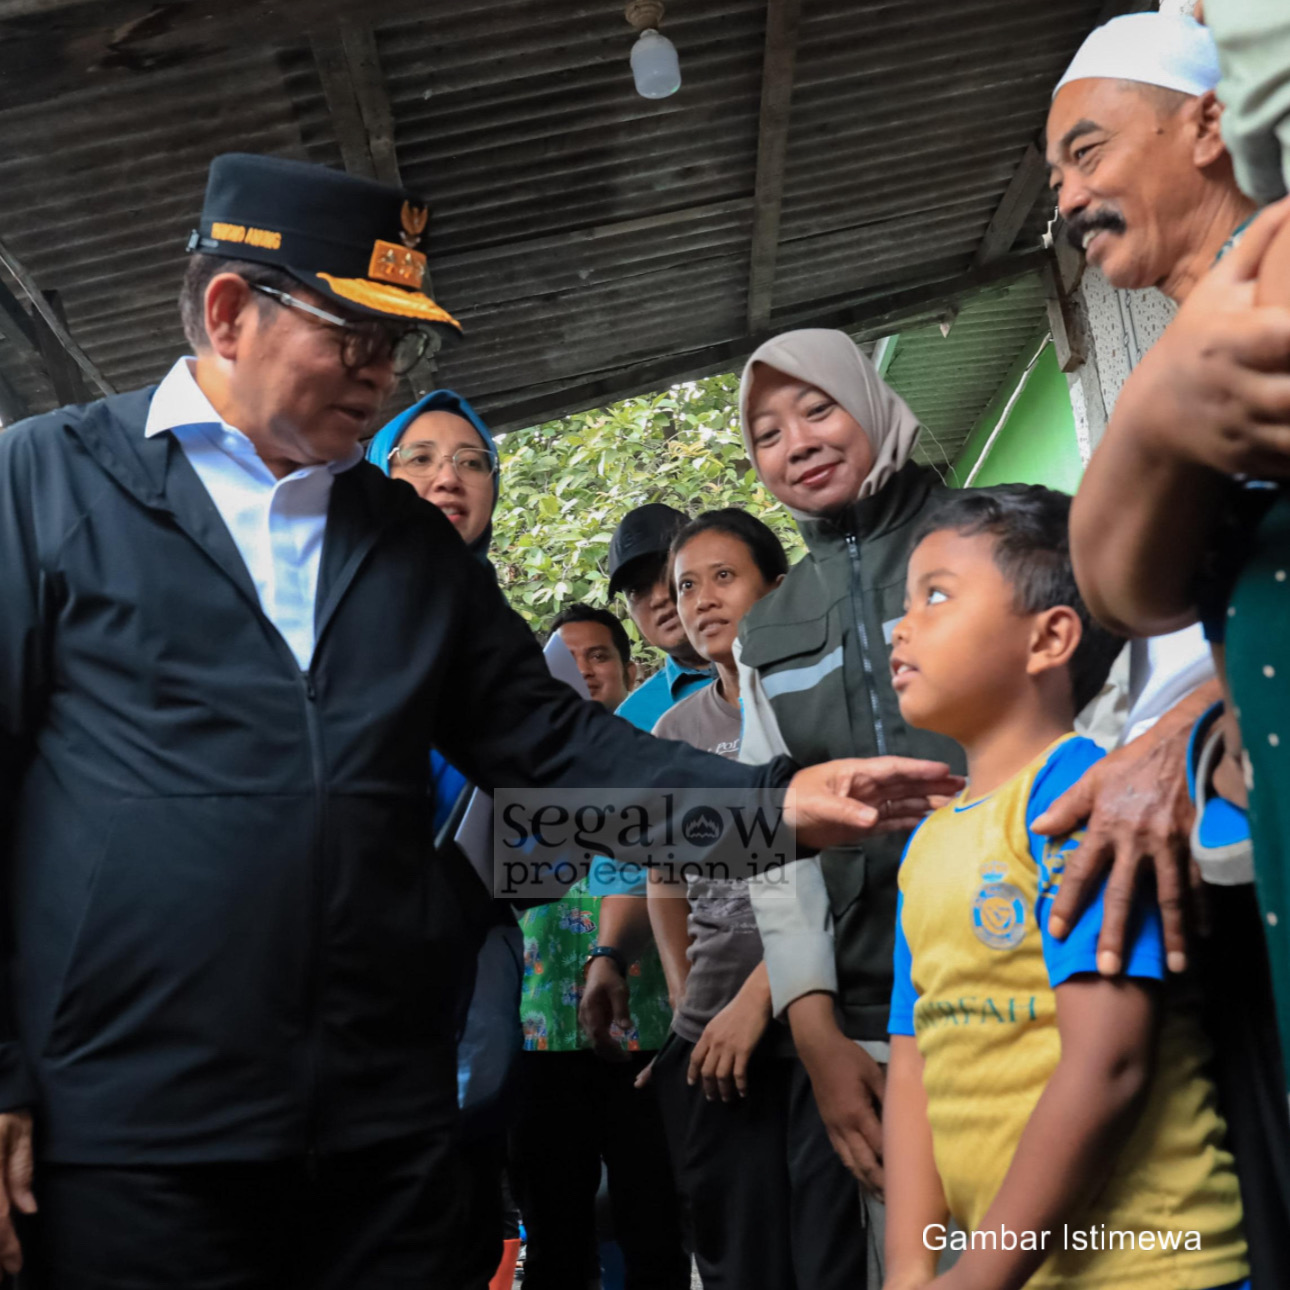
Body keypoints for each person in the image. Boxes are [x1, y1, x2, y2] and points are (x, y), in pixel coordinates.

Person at [0, 152, 961, 1287]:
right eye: (354, 337)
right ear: (228, 313)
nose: (381, 373)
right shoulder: (49, 485)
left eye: (397, 346)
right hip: (130, 1134)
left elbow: (558, 751)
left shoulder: (403, 544)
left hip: (382, 1134)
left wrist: (773, 807)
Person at [733, 326, 1225, 1283]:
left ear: (871, 407)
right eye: (764, 432)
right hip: (889, 1002)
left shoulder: (1001, 539)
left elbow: (1136, 684)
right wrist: (813, 1024)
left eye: (817, 409)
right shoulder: (767, 630)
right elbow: (774, 835)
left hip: (1057, 977)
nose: (795, 441)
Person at [1046, 16, 1290, 1280]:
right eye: (1057, 183)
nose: (1072, 196)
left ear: (1211, 122)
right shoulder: (1183, 354)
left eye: (1086, 151)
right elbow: (1121, 582)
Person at [882, 485, 1247, 1290]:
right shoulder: (927, 843)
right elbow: (913, 1061)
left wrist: (975, 1278)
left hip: (1159, 1267)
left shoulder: (1084, 798)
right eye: (904, 603)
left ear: (1049, 638)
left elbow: (1110, 1061)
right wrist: (909, 1270)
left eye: (936, 595)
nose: (901, 626)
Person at [645, 508, 868, 1290]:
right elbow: (663, 874)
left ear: (777, 587)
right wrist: (683, 997)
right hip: (710, 1041)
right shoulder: (676, 730)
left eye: (723, 577)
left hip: (818, 1022)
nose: (700, 599)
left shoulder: (821, 699)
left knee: (828, 1251)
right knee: (738, 1256)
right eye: (684, 586)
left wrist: (755, 998)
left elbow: (848, 867)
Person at [366, 390, 520, 1290]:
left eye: (470, 461)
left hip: (471, 938)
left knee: (461, 1175)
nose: (447, 477)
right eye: (418, 458)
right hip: (351, 955)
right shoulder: (323, 606)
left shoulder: (491, 631)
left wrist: (759, 818)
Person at [510, 603, 685, 1290]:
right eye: (566, 658)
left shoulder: (658, 764)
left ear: (629, 668)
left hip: (646, 1029)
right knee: (553, 1231)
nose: (584, 670)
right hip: (538, 1032)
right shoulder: (510, 773)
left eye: (600, 656)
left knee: (654, 1222)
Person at [549, 603, 637, 710]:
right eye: (566, 660)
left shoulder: (659, 725)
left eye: (598, 656)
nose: (582, 671)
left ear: (629, 675)